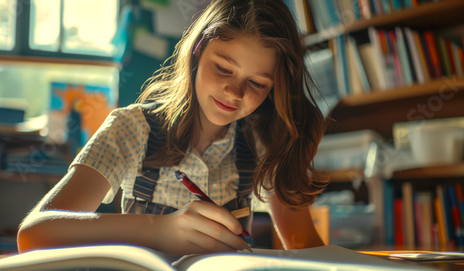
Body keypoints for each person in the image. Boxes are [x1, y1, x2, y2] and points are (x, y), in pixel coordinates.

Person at [17, 0, 329, 257]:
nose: (234, 92)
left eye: (258, 83)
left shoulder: (264, 140)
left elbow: (303, 246)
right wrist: (161, 230)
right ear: (197, 51)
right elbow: (35, 234)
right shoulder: (130, 129)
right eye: (223, 68)